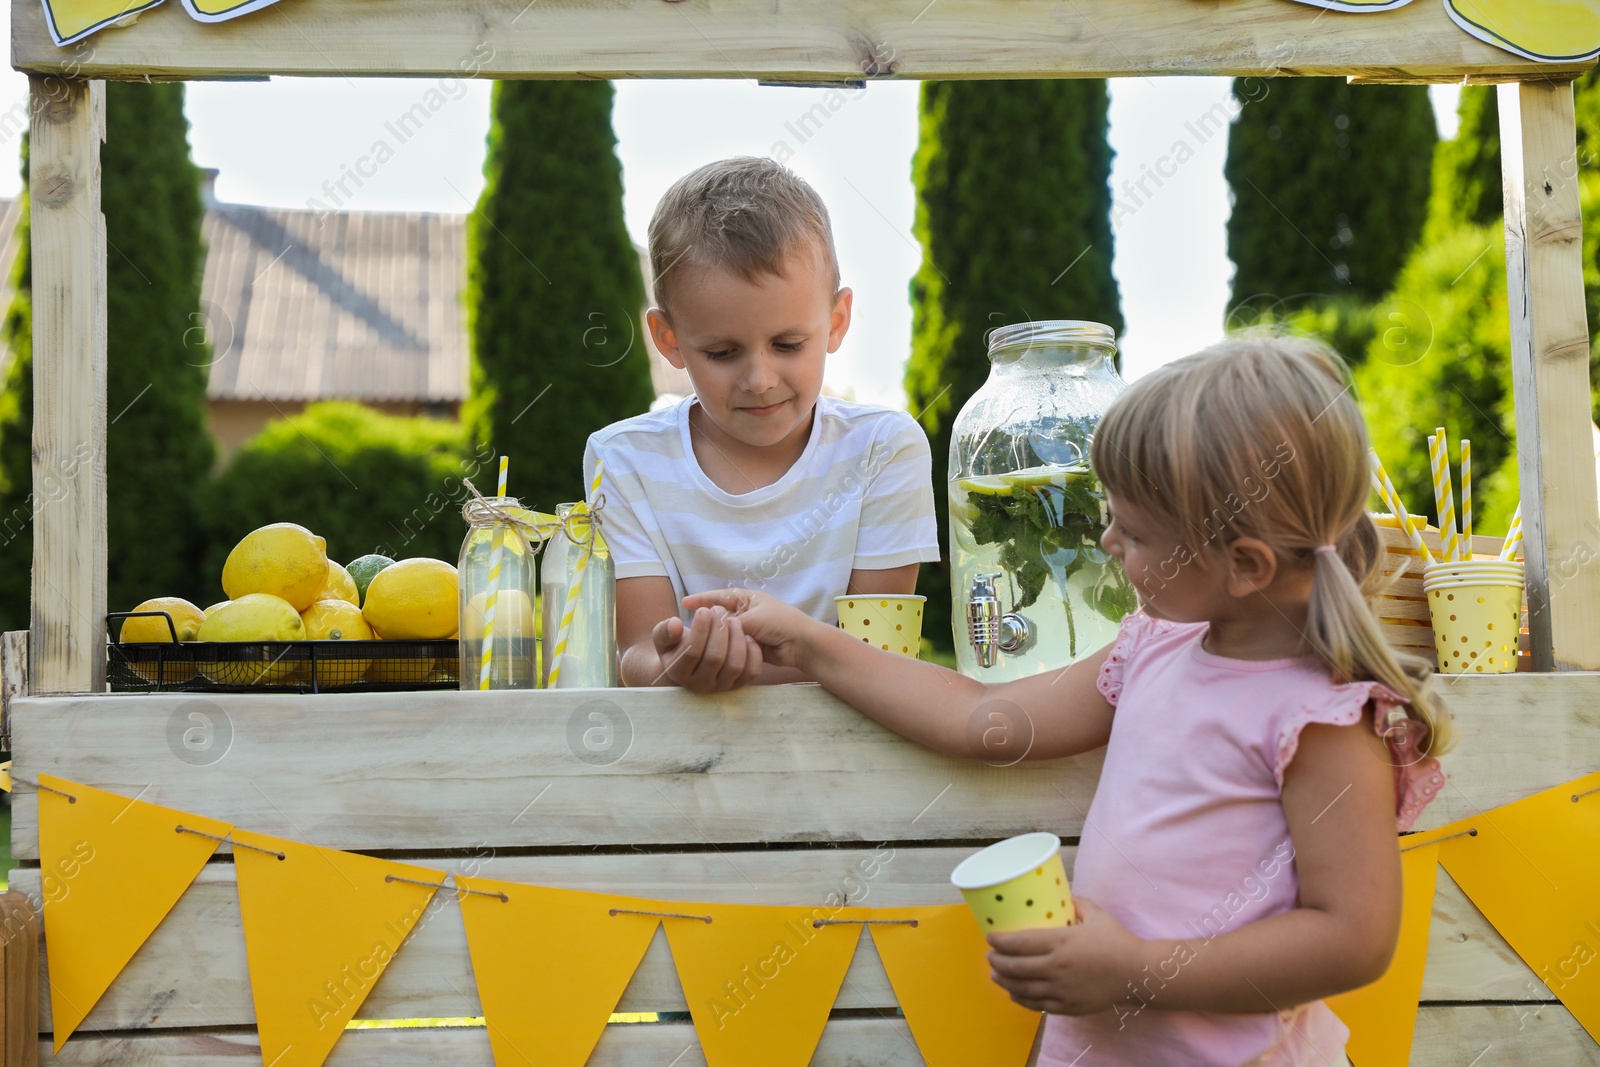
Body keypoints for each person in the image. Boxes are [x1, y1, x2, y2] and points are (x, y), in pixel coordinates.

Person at [686, 334, 1450, 1066]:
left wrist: (1135, 971)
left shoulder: (1319, 721)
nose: (1110, 540)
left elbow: (1353, 937)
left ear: (1244, 563)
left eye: (1139, 531)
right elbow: (981, 718)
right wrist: (811, 644)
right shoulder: (1152, 647)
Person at [584, 157, 939, 692]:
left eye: (788, 345)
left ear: (837, 322)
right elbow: (636, 651)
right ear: (669, 339)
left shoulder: (883, 449)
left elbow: (882, 657)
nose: (759, 378)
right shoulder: (624, 459)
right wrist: (675, 664)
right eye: (723, 352)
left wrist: (761, 659)